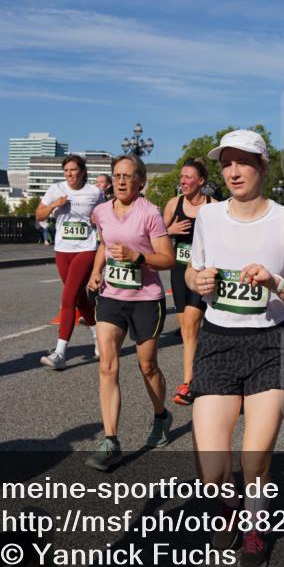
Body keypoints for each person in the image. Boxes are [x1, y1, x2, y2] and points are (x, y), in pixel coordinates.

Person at [185, 129, 284, 567]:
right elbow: (193, 271)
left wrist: (276, 282)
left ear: (262, 167)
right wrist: (196, 281)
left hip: (268, 342)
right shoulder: (208, 217)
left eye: (243, 161)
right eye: (226, 163)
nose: (233, 171)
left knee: (254, 457)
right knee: (212, 470)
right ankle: (229, 509)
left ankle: (255, 527)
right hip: (217, 342)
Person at [85, 155, 176, 470]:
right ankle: (110, 440)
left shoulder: (149, 213)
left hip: (146, 299)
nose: (121, 181)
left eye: (128, 176)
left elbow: (168, 259)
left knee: (147, 365)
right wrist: (96, 272)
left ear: (140, 181)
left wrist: (138, 256)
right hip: (111, 296)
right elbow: (103, 244)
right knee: (107, 366)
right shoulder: (101, 212)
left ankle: (161, 416)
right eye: (117, 175)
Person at [35, 154, 107, 369]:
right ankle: (98, 338)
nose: (69, 174)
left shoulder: (95, 193)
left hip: (85, 249)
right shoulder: (56, 189)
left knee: (67, 298)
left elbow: (104, 219)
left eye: (73, 170)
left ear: (82, 171)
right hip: (62, 250)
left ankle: (60, 352)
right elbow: (38, 215)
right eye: (66, 170)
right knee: (78, 298)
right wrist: (54, 205)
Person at [162, 159, 215, 405]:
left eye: (188, 177)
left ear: (201, 181)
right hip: (178, 270)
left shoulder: (214, 207)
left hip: (201, 273)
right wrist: (170, 232)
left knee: (192, 323)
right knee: (187, 329)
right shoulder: (174, 204)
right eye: (181, 177)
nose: (182, 181)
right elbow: (156, 238)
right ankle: (202, 369)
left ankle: (189, 382)